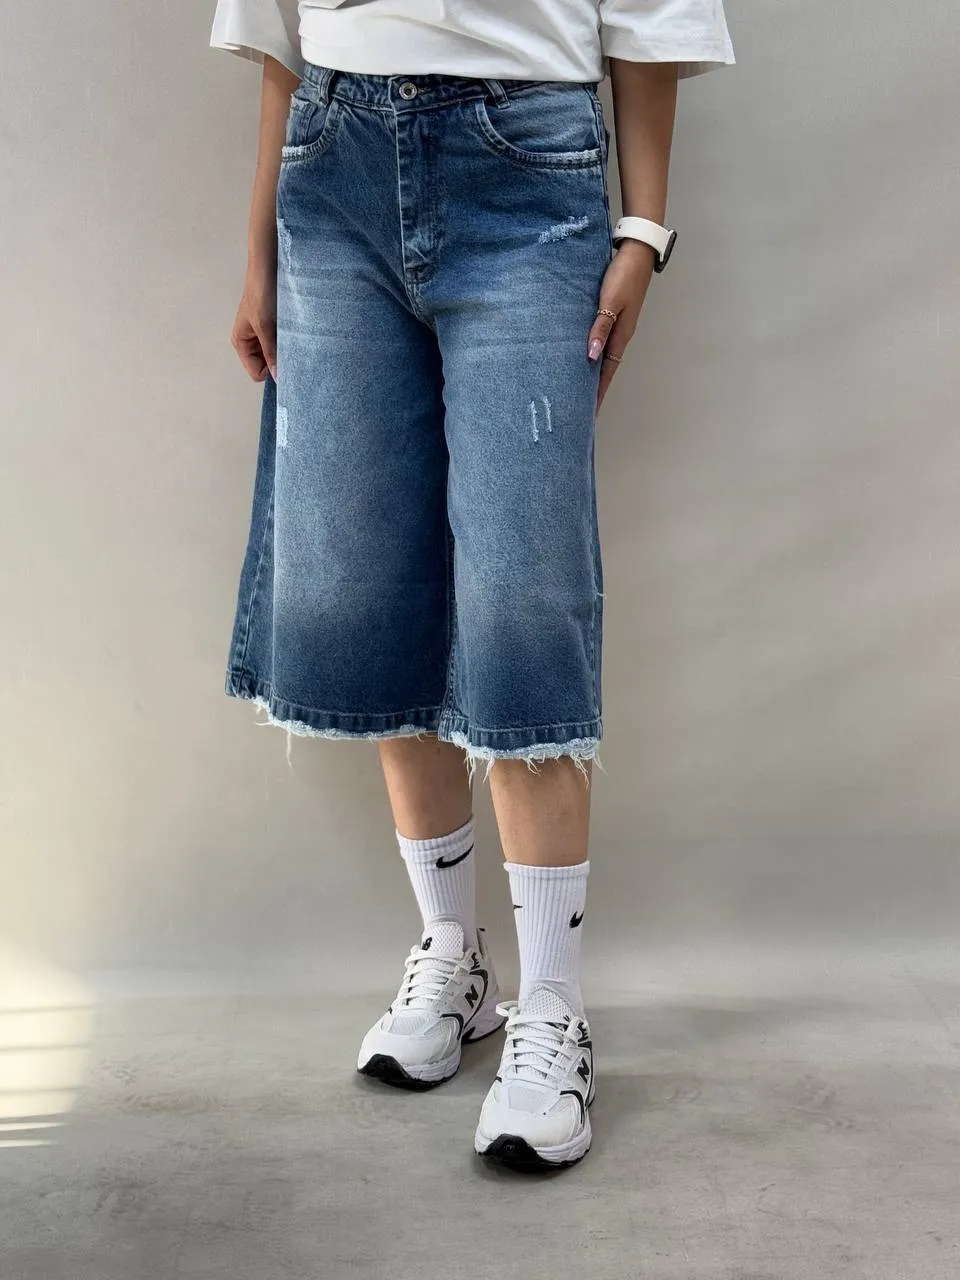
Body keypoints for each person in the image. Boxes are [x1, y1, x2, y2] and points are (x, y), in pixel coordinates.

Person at [209, 0, 734, 1173]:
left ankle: (553, 1005)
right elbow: (280, 34)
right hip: (330, 170)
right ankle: (454, 954)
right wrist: (257, 254)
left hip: (528, 162)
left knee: (523, 585)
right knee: (371, 578)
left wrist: (643, 229)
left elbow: (650, 18)